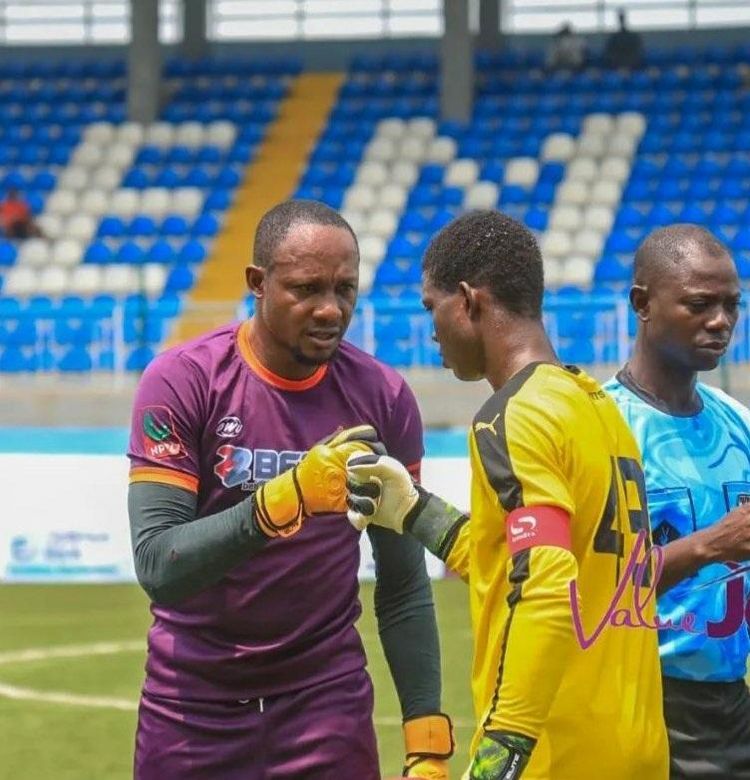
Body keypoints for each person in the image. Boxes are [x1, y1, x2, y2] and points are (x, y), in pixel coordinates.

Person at [126, 199, 453, 779]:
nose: (330, 309)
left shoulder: (383, 398)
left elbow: (403, 585)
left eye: (346, 289)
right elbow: (159, 564)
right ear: (258, 282)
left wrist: (427, 740)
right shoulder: (182, 380)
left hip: (325, 711)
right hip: (189, 712)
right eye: (306, 288)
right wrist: (286, 499)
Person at [345, 210, 669, 779]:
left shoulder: (510, 417)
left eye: (432, 308)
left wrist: (500, 754)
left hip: (559, 755)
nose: (431, 330)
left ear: (469, 301)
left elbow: (544, 582)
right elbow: (521, 560)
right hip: (636, 746)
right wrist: (416, 510)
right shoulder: (595, 406)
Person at [604, 224, 750, 779]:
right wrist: (711, 545)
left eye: (732, 305)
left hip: (730, 707)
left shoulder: (738, 426)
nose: (721, 321)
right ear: (642, 303)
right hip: (638, 703)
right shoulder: (601, 426)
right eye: (699, 304)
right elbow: (586, 594)